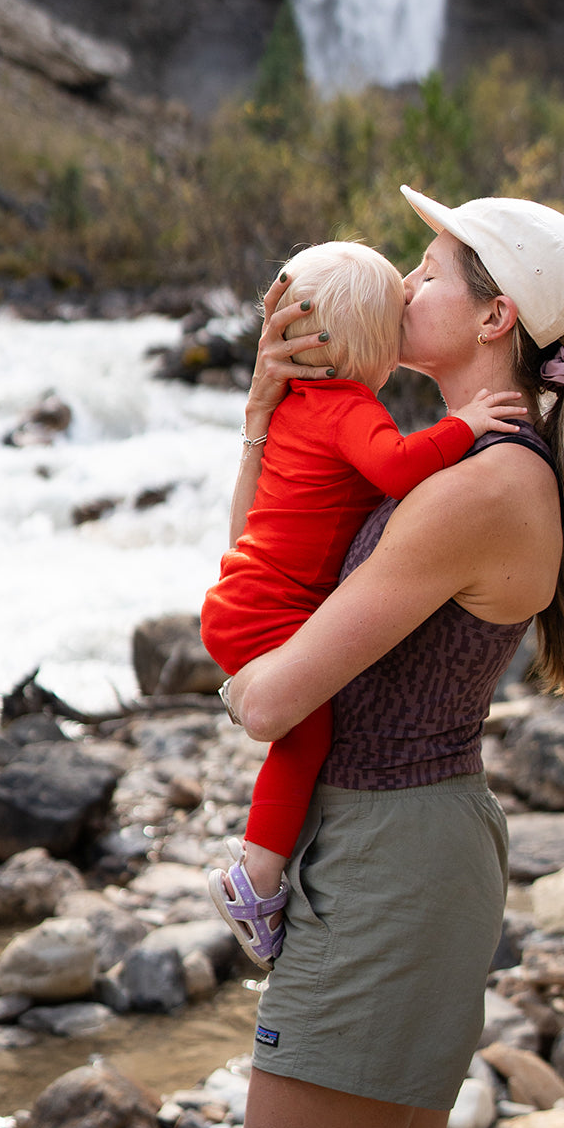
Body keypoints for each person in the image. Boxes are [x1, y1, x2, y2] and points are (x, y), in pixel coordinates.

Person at [218, 185, 564, 1128]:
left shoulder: (478, 483)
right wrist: (267, 417)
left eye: (430, 268)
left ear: (496, 320)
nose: (402, 284)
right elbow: (263, 576)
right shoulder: (443, 461)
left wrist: (255, 669)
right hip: (406, 840)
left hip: (395, 857)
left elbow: (268, 692)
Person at [200, 239, 524, 967]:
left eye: (428, 274)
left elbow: (265, 529)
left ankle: (259, 870)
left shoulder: (303, 409)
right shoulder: (350, 412)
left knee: (298, 732)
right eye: (404, 285)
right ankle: (253, 875)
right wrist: (464, 426)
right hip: (266, 609)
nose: (411, 289)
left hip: (242, 594)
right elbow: (397, 465)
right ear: (375, 345)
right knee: (303, 735)